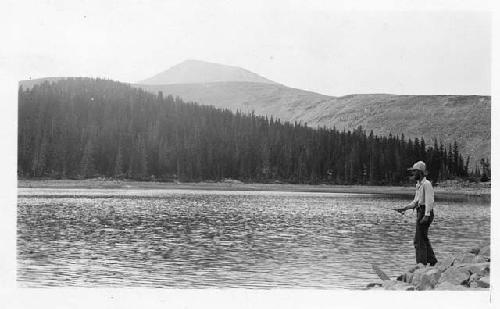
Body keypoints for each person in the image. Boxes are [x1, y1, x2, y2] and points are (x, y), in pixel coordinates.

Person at [395, 161, 438, 266]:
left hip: (425, 213)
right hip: (421, 212)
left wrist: (426, 215)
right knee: (423, 237)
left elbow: (430, 201)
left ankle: (421, 265)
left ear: (420, 172)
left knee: (418, 240)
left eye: (414, 172)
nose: (413, 174)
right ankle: (433, 262)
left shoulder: (427, 184)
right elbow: (416, 201)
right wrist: (405, 208)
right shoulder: (419, 184)